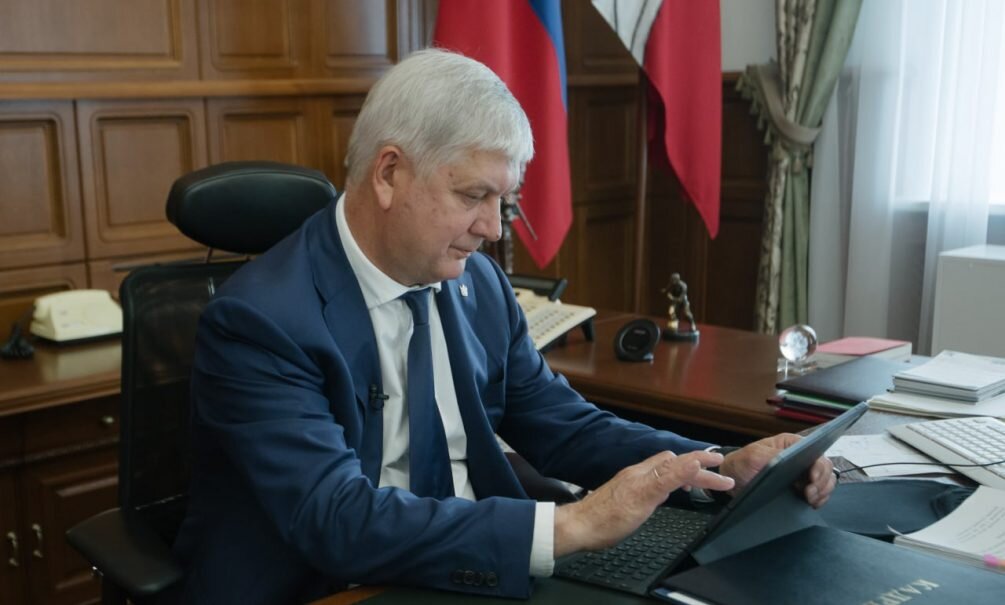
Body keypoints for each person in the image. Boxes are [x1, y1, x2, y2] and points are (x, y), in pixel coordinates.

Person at [171, 49, 835, 604]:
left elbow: (564, 425)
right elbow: (335, 520)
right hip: (326, 587)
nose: (492, 229)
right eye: (473, 196)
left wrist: (714, 465)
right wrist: (574, 524)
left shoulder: (477, 284)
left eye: (504, 201)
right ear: (389, 173)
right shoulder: (259, 322)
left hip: (469, 568)